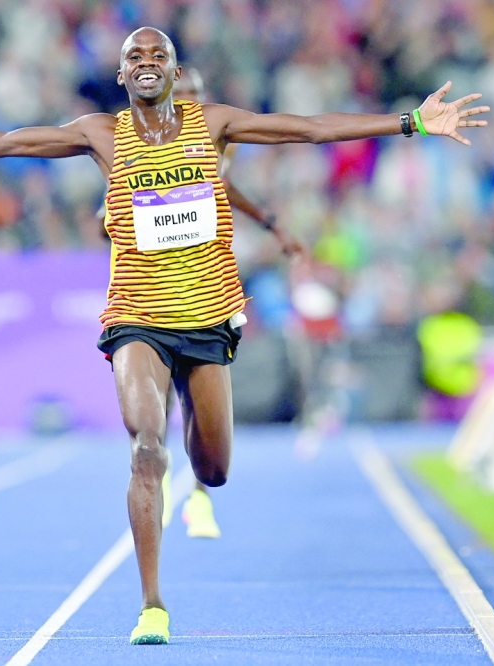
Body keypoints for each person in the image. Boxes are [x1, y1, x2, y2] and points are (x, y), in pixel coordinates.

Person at [0, 26, 489, 645]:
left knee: (215, 469)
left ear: (175, 73)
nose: (146, 64)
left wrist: (411, 121)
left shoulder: (216, 125)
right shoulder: (101, 134)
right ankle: (152, 604)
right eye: (135, 57)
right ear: (121, 74)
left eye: (158, 57)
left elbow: (310, 130)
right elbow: (3, 143)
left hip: (205, 320)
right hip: (137, 319)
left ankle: (195, 462)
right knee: (147, 446)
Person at [162, 65, 306, 540]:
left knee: (201, 396)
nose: (188, 101)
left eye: (195, 93)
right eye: (179, 92)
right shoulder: (144, 138)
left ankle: (199, 495)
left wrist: (270, 221)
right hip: (156, 282)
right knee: (161, 390)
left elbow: (222, 184)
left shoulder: (217, 133)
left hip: (206, 280)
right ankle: (158, 474)